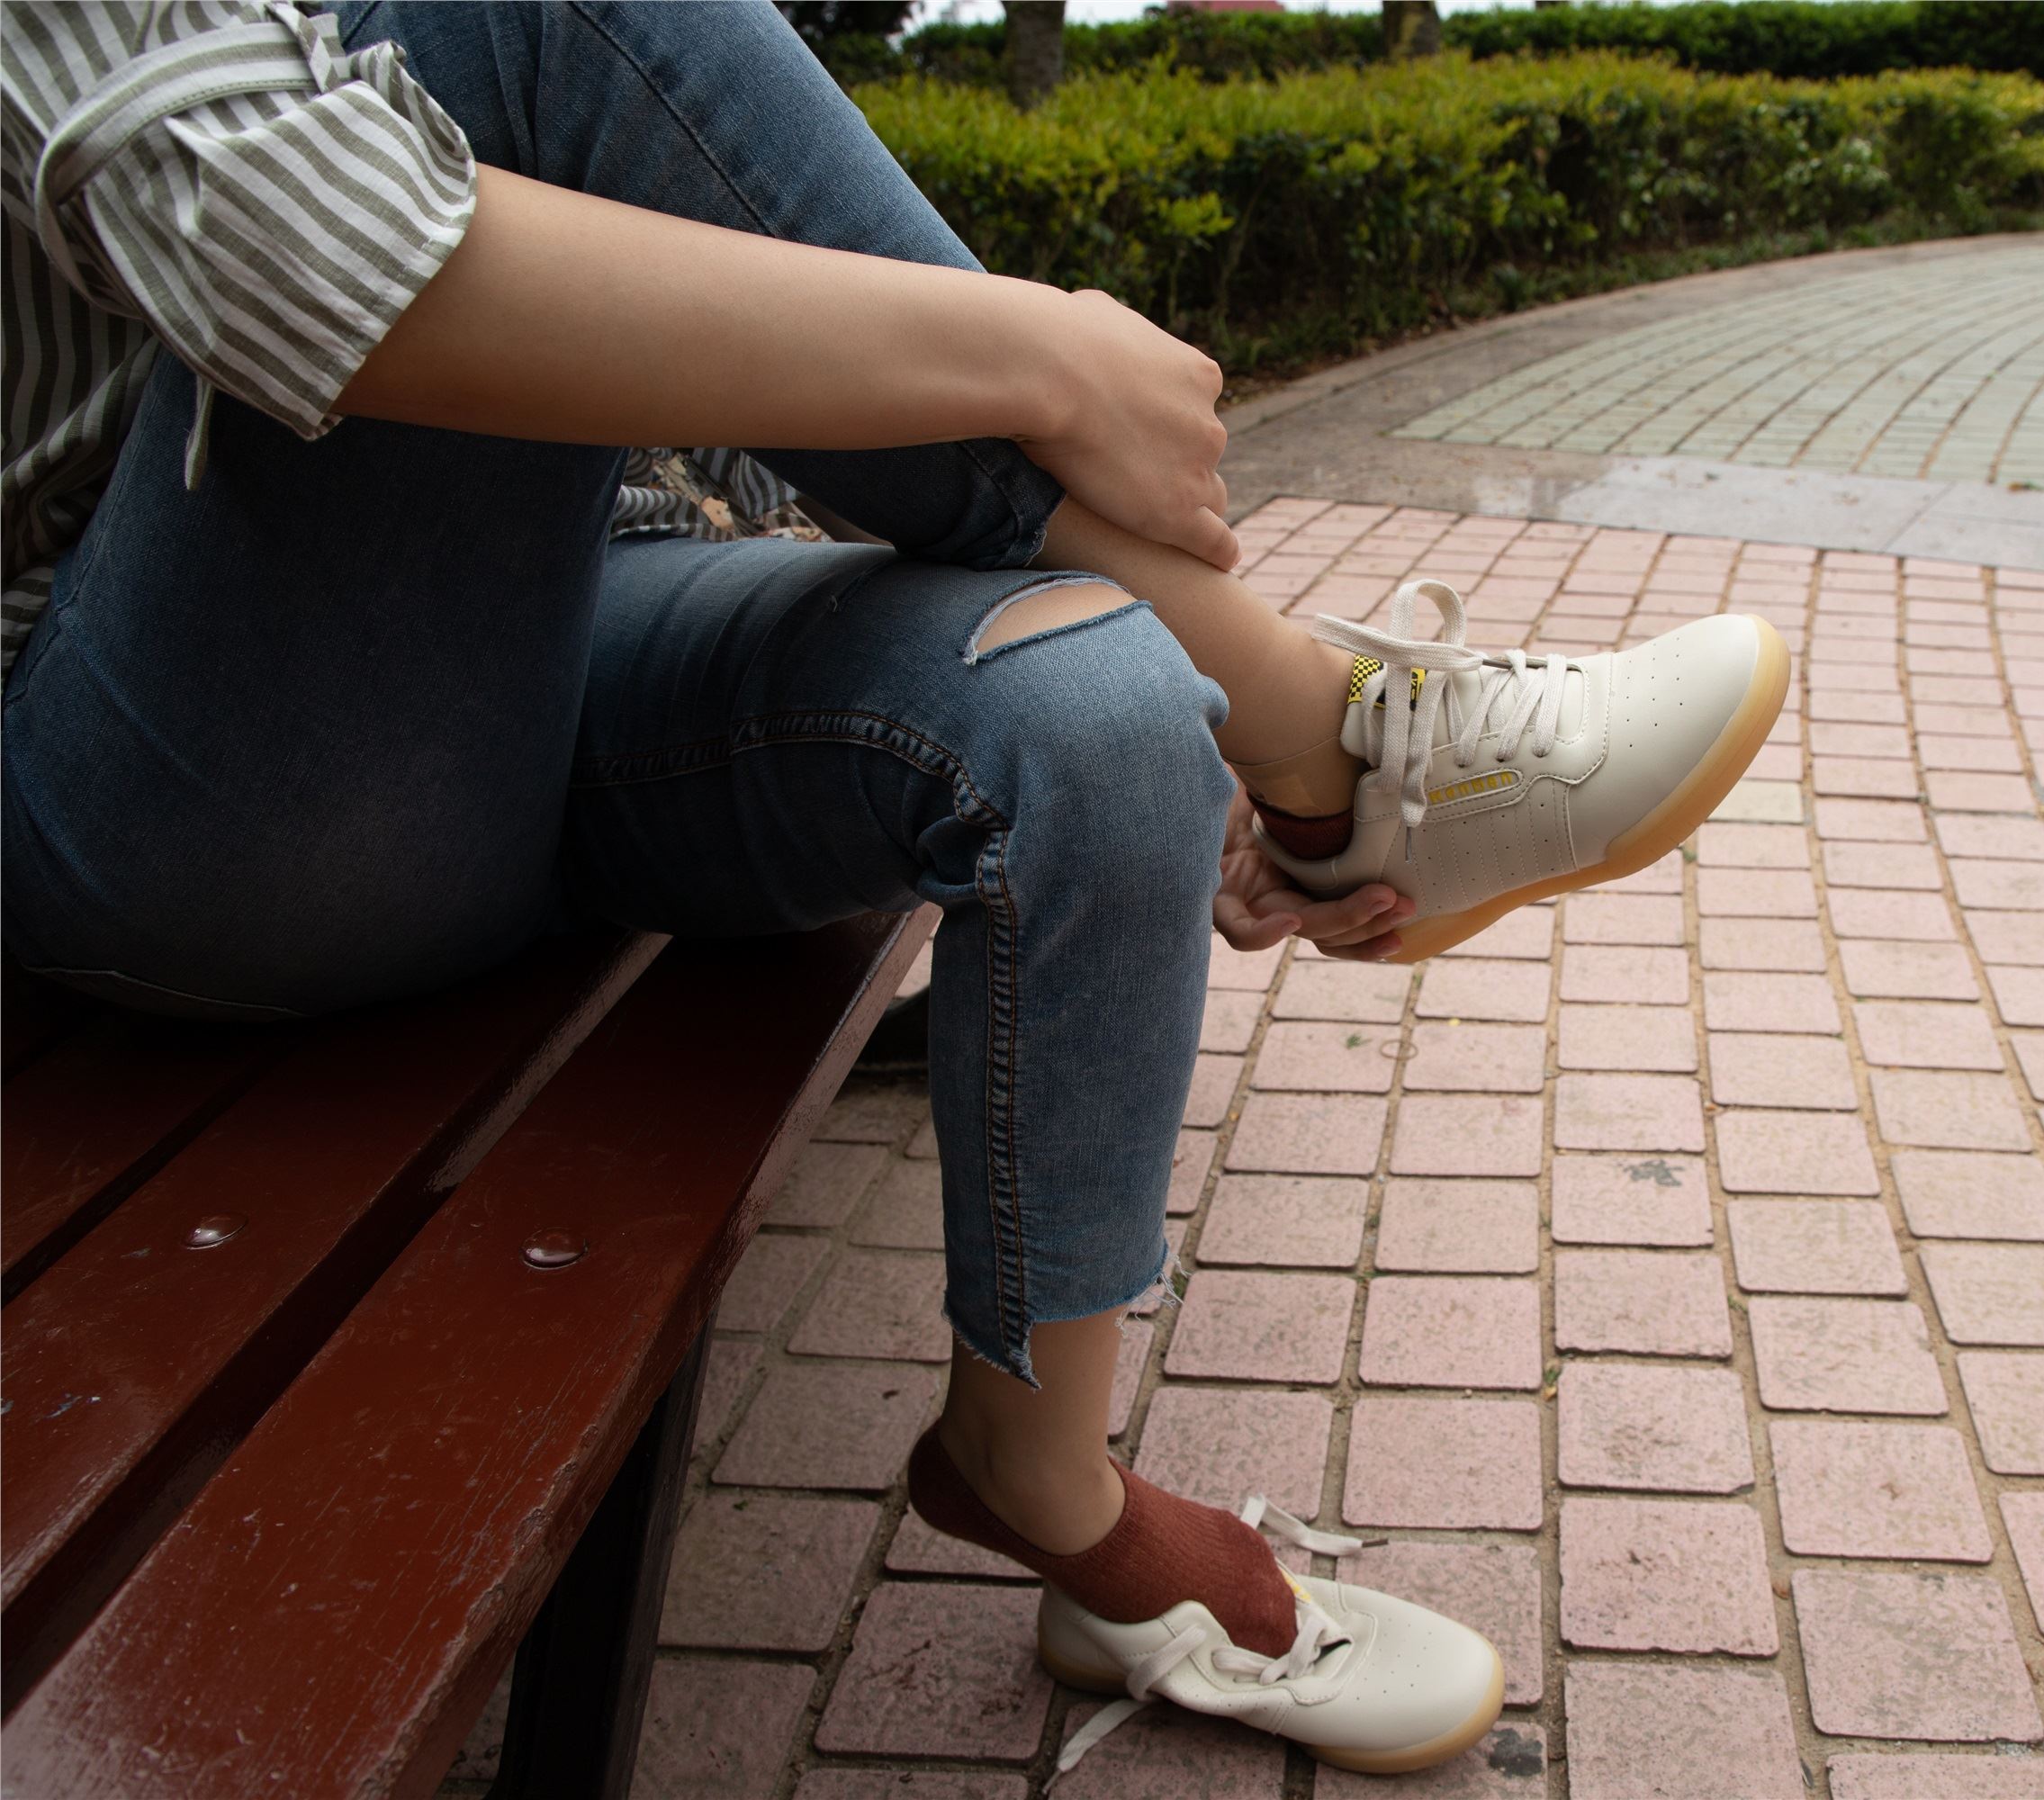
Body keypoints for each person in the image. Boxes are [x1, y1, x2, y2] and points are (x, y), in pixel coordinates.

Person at [1, 1, 1784, 1773]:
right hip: (171, 766)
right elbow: (266, 228)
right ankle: (1331, 741)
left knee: (1096, 696)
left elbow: (703, 369)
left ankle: (1044, 1476)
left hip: (538, 636)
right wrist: (1038, 358)